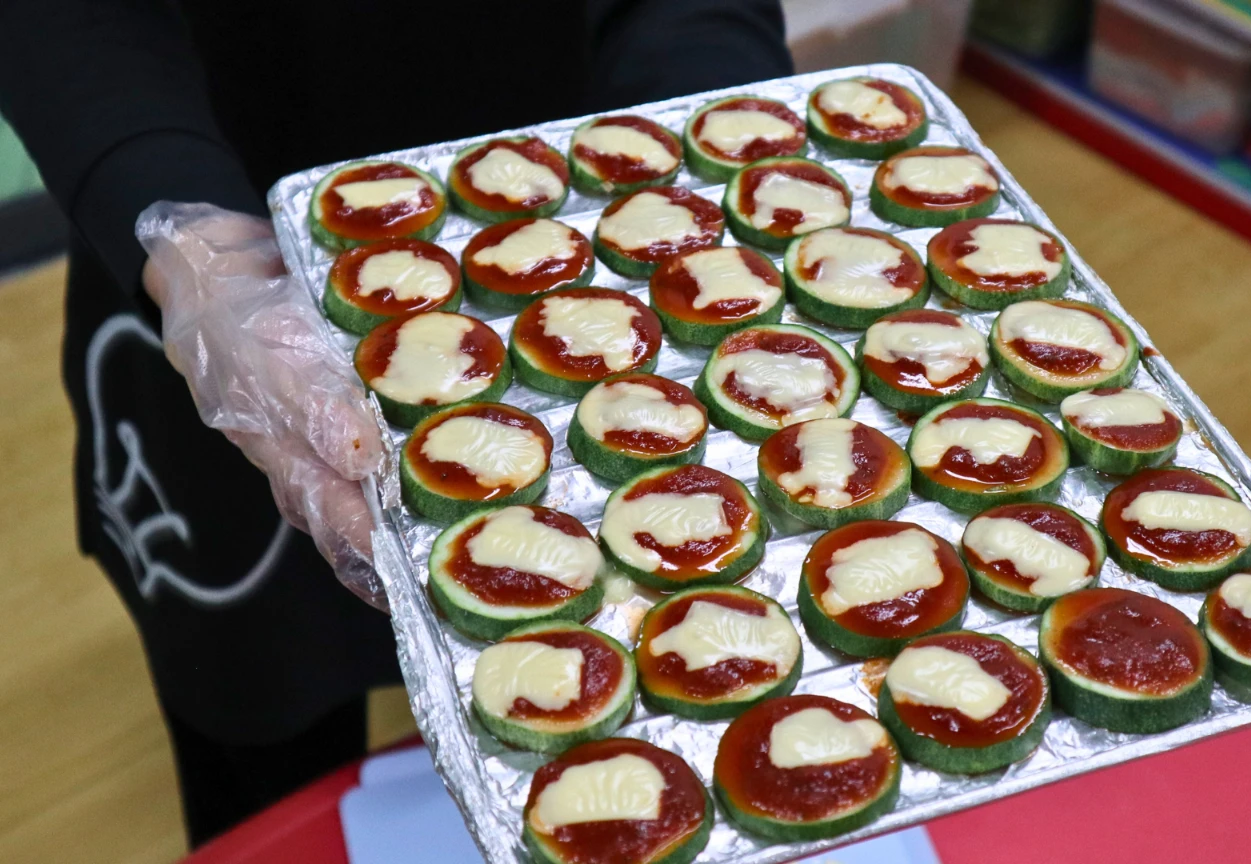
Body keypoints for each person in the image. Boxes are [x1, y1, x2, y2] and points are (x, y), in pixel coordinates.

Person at [0, 0, 792, 847]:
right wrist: (166, 208)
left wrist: (710, 116)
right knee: (265, 719)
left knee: (557, 707)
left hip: (581, 203)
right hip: (214, 261)